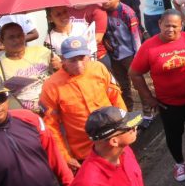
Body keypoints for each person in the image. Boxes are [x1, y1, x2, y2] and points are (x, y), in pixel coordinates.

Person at [129, 11, 185, 182]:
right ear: (159, 24)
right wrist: (148, 98)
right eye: (167, 25)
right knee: (174, 134)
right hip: (168, 103)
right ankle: (179, 163)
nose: (170, 29)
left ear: (182, 25)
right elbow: (135, 73)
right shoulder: (149, 47)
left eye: (175, 25)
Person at [39, 37, 125, 171]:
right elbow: (51, 127)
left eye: (82, 58)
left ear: (89, 55)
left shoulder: (99, 68)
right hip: (85, 153)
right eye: (72, 60)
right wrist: (65, 156)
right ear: (62, 59)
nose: (78, 64)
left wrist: (124, 129)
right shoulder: (51, 86)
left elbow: (116, 100)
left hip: (114, 141)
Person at [0, 23, 56, 113]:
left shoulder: (41, 51)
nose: (17, 40)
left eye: (20, 35)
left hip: (54, 102)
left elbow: (62, 71)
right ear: (1, 41)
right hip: (26, 114)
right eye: (11, 37)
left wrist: (58, 66)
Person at [100, 0, 142, 111]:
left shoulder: (126, 13)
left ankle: (148, 112)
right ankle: (128, 111)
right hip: (114, 56)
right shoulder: (102, 12)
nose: (105, 1)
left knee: (139, 84)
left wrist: (138, 58)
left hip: (129, 55)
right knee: (122, 86)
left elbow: (136, 37)